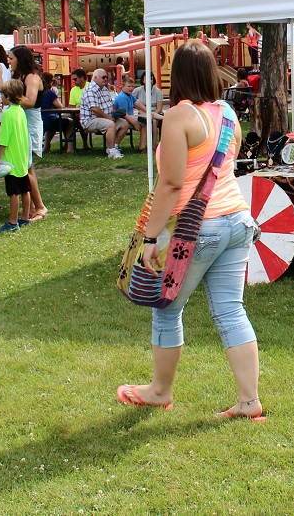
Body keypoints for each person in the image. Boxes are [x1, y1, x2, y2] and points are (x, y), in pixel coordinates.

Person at [116, 41, 264, 421]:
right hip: (237, 220)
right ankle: (249, 401)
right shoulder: (228, 113)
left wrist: (150, 238)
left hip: (197, 228)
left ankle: (159, 391)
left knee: (167, 309)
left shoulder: (179, 116)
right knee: (231, 310)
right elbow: (227, 164)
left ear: (176, 76)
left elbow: (170, 184)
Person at [9, 46, 48, 219]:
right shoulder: (21, 76)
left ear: (21, 59)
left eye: (12, 58)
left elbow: (30, 101)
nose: (9, 61)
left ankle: (40, 207)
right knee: (25, 165)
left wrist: (10, 96)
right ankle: (32, 206)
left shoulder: (32, 77)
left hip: (30, 123)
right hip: (22, 122)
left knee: (26, 167)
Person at [0, 79, 33, 233]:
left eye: (2, 95)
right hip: (22, 156)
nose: (1, 97)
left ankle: (12, 222)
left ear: (8, 96)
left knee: (13, 192)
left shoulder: (7, 114)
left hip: (11, 159)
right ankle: (25, 218)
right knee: (25, 189)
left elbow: (3, 139)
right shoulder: (20, 110)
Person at [80, 68, 129, 158]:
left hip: (105, 118)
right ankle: (112, 152)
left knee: (124, 124)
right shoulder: (90, 90)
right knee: (110, 124)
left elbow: (111, 104)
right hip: (91, 120)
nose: (105, 79)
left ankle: (114, 147)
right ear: (95, 78)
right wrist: (108, 118)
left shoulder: (104, 89)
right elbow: (95, 109)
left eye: (106, 77)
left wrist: (115, 114)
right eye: (103, 77)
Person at [39, 73, 72, 154]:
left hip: (40, 120)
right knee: (70, 122)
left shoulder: (36, 93)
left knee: (54, 124)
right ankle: (70, 148)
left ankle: (46, 147)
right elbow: (60, 106)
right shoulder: (49, 92)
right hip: (49, 120)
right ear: (49, 82)